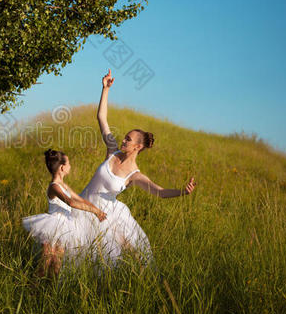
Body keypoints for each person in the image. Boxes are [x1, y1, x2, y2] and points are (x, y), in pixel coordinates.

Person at [73, 69, 197, 266]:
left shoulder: (134, 175)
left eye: (128, 139)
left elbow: (160, 192)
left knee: (116, 257)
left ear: (138, 147)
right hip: (83, 205)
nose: (123, 139)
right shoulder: (112, 150)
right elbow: (102, 118)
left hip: (105, 217)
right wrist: (105, 89)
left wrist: (183, 192)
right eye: (125, 137)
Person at [22, 149, 107, 277]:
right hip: (52, 226)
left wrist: (98, 210)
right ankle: (33, 290)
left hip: (64, 226)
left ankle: (50, 292)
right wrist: (94, 211)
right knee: (46, 262)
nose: (70, 166)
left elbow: (80, 199)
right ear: (62, 167)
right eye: (69, 163)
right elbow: (71, 202)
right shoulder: (54, 186)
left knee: (57, 264)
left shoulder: (63, 185)